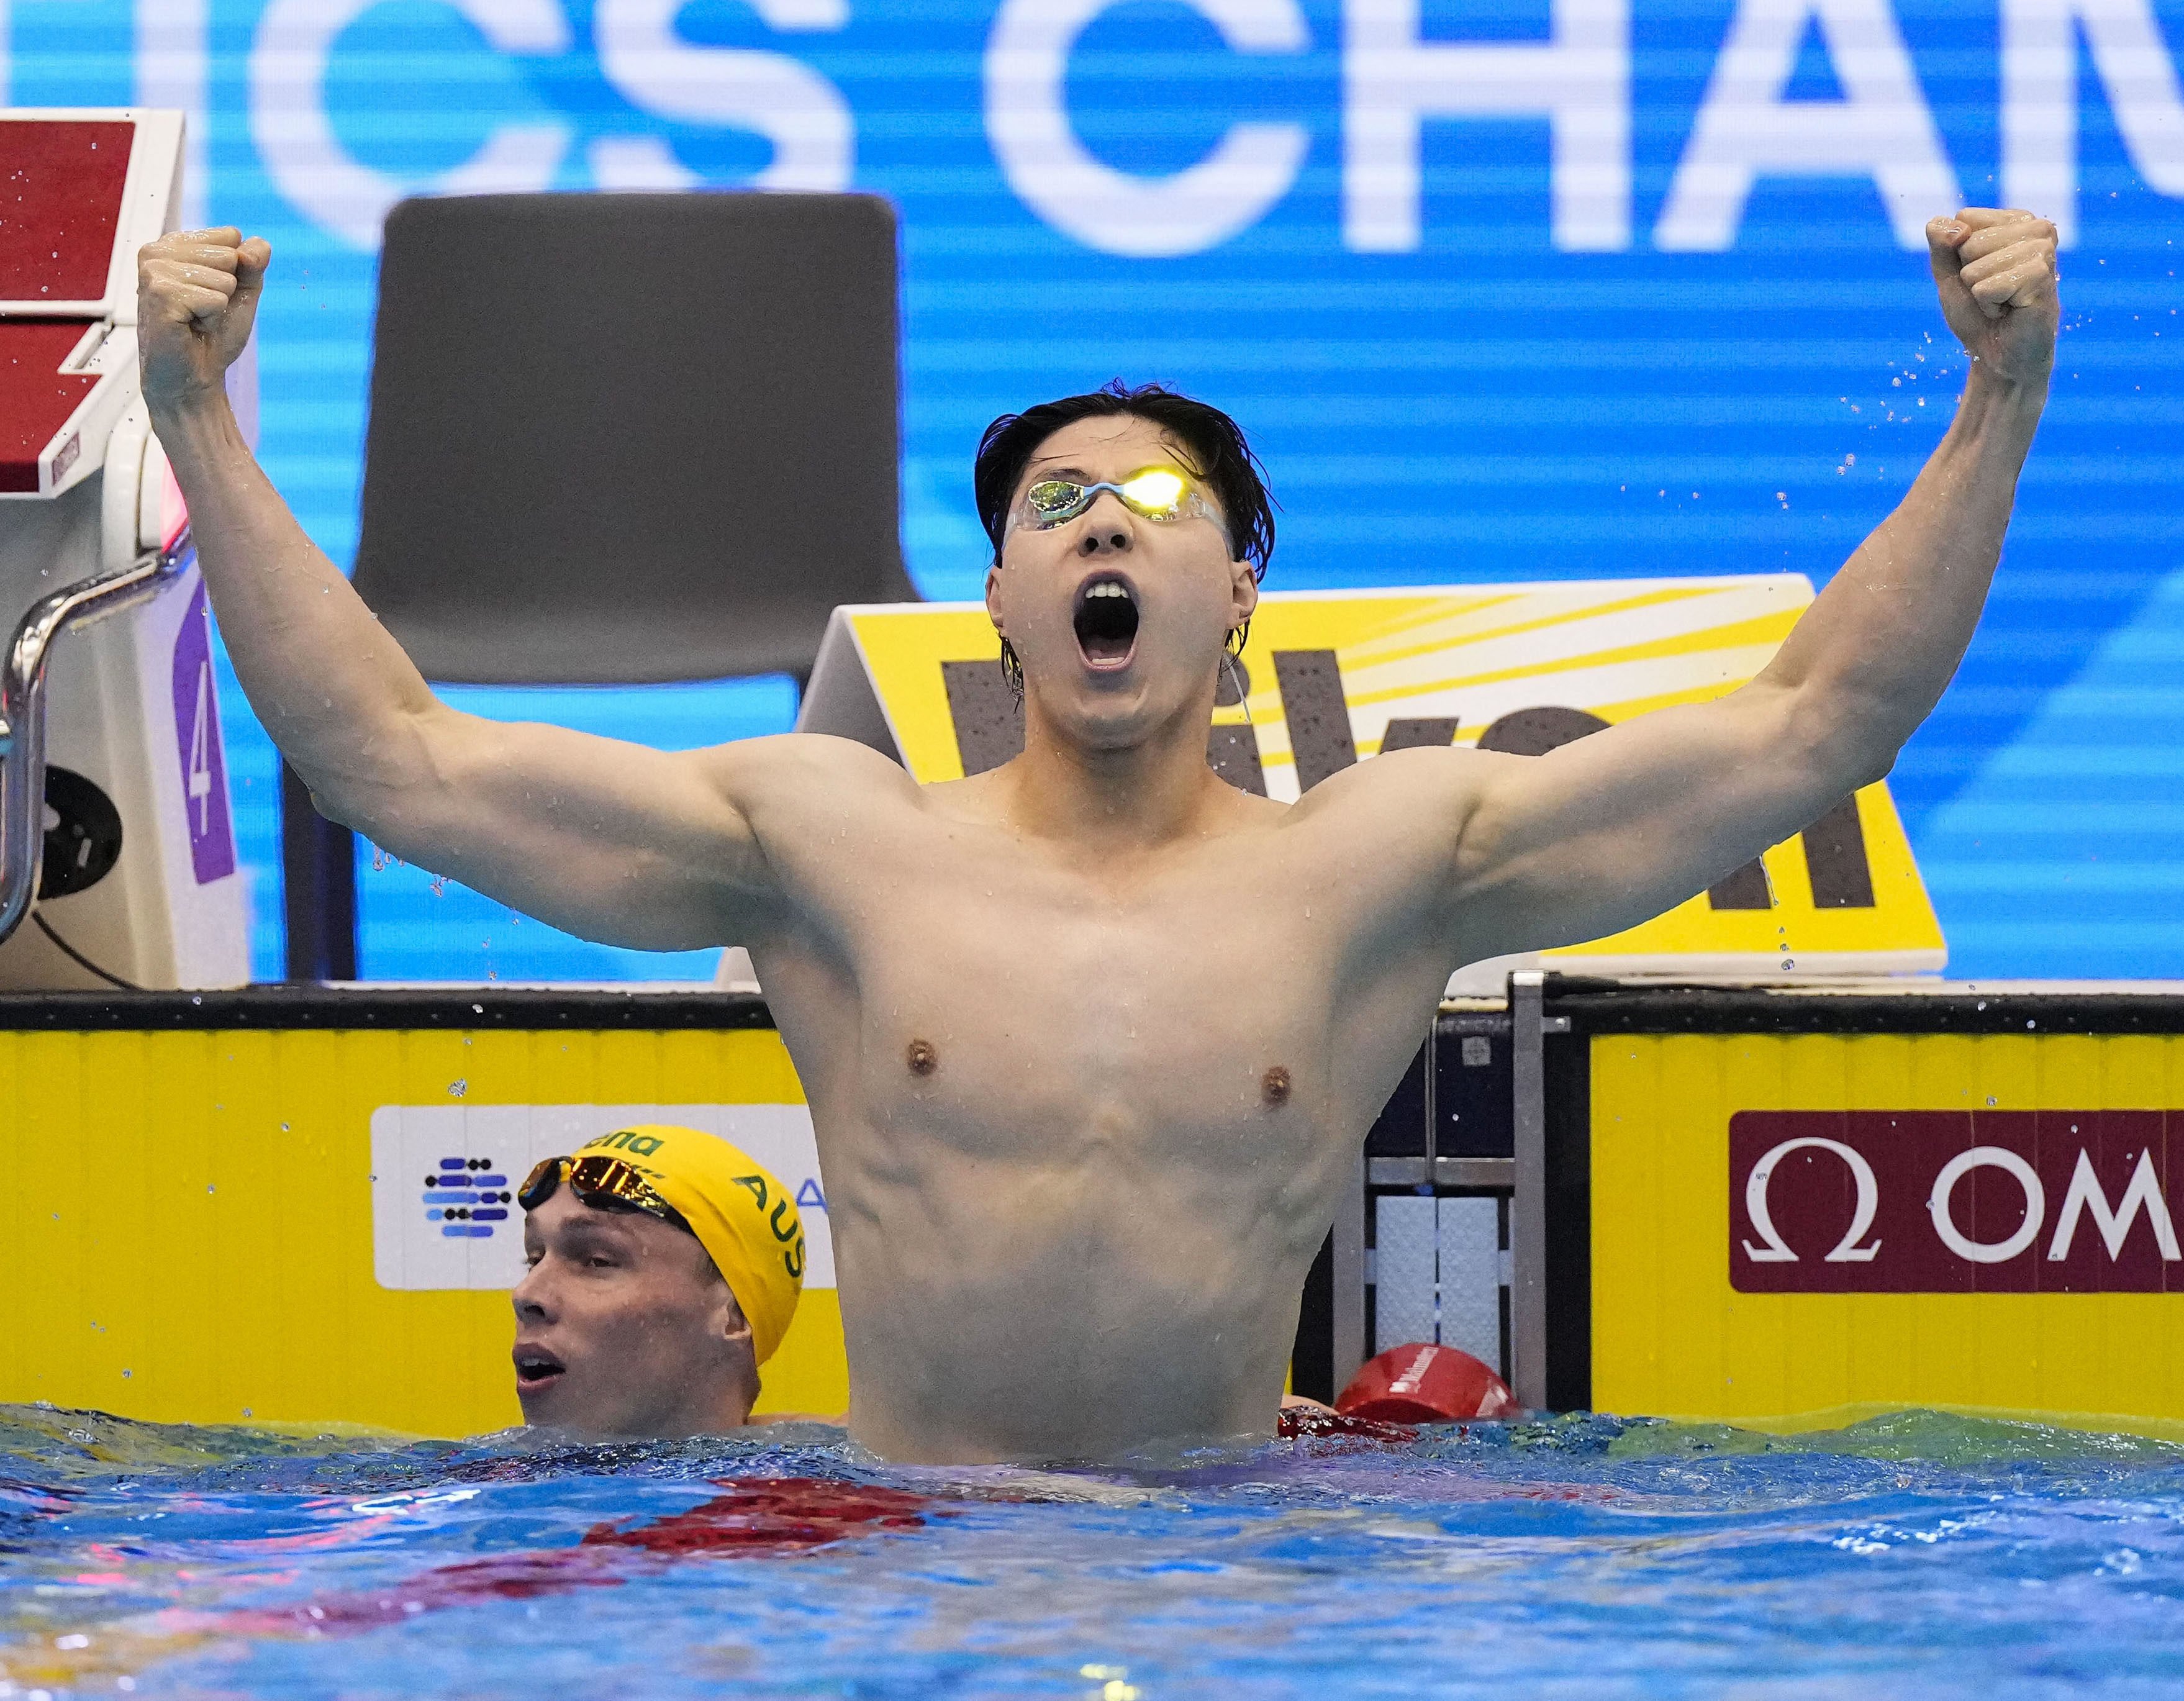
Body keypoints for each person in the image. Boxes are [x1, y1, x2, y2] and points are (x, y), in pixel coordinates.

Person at [136, 208, 2057, 1464]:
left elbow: (1818, 725)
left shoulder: (1386, 861)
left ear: (1239, 592)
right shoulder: (822, 840)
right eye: (1054, 505)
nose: (1105, 526)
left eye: (1156, 498)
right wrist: (198, 416)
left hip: (1230, 1565)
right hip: (906, 1562)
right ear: (995, 601)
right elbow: (390, 754)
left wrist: (1997, 393)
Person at [512, 1124, 810, 1437]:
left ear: (733, 1315)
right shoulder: (472, 1474)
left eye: (597, 1261)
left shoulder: (823, 1476)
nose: (525, 1294)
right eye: (533, 1260)